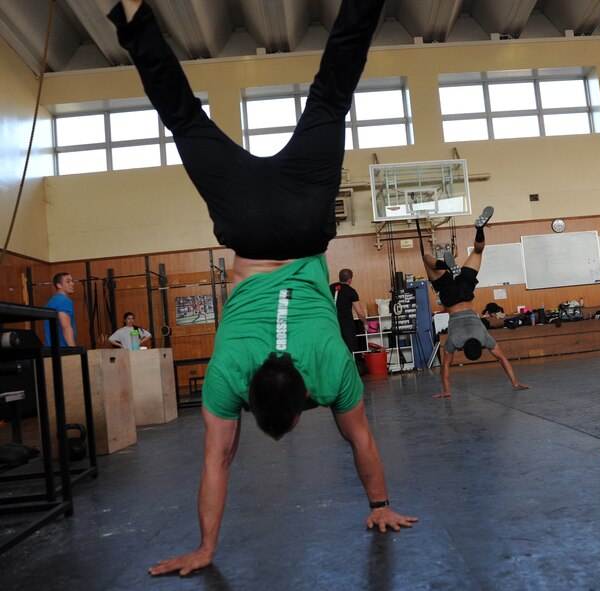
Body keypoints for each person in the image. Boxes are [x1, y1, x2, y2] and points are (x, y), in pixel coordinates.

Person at [108, 0, 416, 577]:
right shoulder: (227, 374)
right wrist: (204, 549)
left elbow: (362, 442)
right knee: (183, 116)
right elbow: (218, 459)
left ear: (303, 405)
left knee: (331, 94)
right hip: (247, 224)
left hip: (302, 222)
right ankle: (130, 15)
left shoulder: (328, 365)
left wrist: (381, 504)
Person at [418, 207, 530, 398]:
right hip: (449, 298)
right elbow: (446, 367)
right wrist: (446, 391)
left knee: (478, 252)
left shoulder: (485, 339)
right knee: (426, 260)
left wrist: (515, 380)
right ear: (464, 349)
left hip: (466, 292)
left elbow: (503, 359)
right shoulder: (454, 343)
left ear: (479, 345)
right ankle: (443, 266)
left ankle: (479, 229)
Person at [330, 268, 368, 353]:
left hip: (331, 324)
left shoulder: (330, 288)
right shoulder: (351, 291)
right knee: (348, 351)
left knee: (334, 350)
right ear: (350, 279)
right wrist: (365, 323)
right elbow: (359, 312)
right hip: (346, 326)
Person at [43, 272, 76, 347]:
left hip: (51, 350)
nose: (72, 284)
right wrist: (74, 351)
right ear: (59, 285)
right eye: (68, 281)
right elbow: (66, 327)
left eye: (72, 281)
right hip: (62, 351)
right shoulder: (64, 301)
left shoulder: (51, 302)